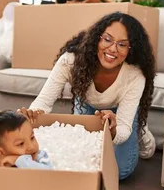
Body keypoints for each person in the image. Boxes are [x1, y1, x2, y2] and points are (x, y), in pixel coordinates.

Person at [17, 12, 156, 180]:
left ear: (130, 49)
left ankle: (140, 126)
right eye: (107, 39)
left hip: (120, 113)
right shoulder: (70, 61)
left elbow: (122, 130)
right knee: (82, 161)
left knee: (119, 171)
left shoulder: (134, 75)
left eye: (122, 44)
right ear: (97, 38)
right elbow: (44, 102)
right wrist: (32, 114)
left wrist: (113, 130)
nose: (113, 49)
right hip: (89, 104)